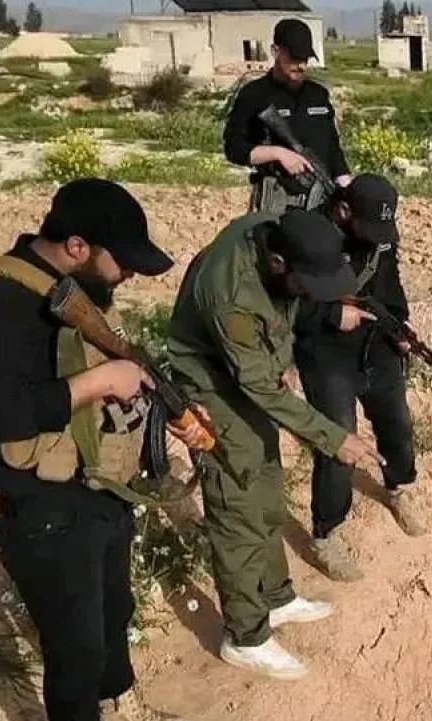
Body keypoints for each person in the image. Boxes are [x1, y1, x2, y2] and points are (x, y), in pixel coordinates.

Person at [0, 178, 201, 721]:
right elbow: (2, 416)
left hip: (93, 487)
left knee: (114, 611)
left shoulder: (67, 293)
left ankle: (118, 705)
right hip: (33, 505)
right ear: (79, 246)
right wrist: (98, 383)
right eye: (123, 264)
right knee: (75, 644)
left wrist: (172, 408)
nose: (128, 277)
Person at [164, 207, 383, 680]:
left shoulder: (276, 230)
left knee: (265, 488)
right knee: (237, 505)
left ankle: (275, 598)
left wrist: (279, 357)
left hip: (244, 372)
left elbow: (279, 317)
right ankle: (245, 636)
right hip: (212, 387)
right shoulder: (232, 296)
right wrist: (332, 438)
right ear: (280, 263)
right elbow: (259, 387)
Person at [293, 173, 422, 582]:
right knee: (339, 441)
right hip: (326, 351)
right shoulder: (308, 237)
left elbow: (389, 284)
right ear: (343, 210)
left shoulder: (379, 237)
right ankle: (326, 532)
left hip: (375, 342)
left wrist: (399, 327)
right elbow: (285, 305)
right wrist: (332, 315)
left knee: (397, 422)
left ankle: (398, 486)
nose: (375, 238)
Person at [223, 17, 353, 215]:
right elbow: (234, 149)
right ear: (275, 51)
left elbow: (333, 152)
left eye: (304, 59)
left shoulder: (318, 95)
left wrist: (347, 192)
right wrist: (278, 154)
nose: (300, 65)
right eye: (293, 58)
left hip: (322, 204)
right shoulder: (254, 95)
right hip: (277, 207)